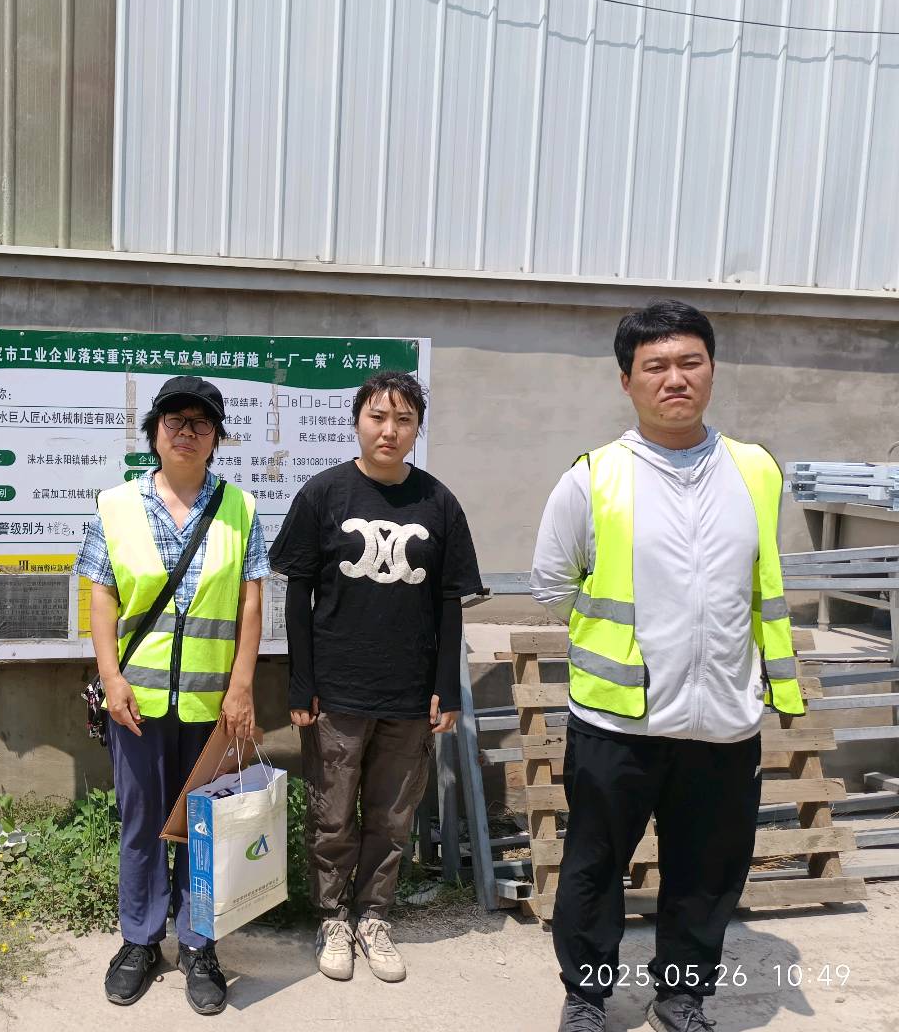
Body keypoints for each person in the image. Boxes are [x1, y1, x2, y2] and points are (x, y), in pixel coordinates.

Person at [530, 300, 804, 1032]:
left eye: (690, 362)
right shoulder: (593, 477)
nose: (674, 379)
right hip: (618, 721)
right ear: (627, 381)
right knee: (594, 869)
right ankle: (588, 997)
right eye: (655, 366)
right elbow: (552, 584)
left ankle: (681, 996)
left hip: (724, 722)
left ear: (712, 370)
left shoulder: (755, 470)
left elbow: (758, 583)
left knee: (707, 872)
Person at [269, 369, 481, 984]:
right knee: (332, 814)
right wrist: (301, 683)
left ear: (417, 429)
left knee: (392, 817)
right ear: (358, 421)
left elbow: (449, 601)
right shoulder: (324, 494)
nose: (389, 430)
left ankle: (374, 917)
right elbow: (298, 595)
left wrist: (445, 687)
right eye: (378, 417)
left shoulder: (438, 502)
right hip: (336, 691)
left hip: (409, 694)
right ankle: (332, 917)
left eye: (404, 419)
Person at [76, 374, 269, 1016]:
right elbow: (102, 598)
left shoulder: (240, 509)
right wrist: (111, 678)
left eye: (200, 422)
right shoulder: (114, 506)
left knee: (203, 829)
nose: (187, 432)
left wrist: (242, 686)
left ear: (216, 437)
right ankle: (139, 941)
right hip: (136, 702)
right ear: (154, 433)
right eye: (174, 421)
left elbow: (250, 603)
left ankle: (199, 945)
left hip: (213, 706)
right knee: (140, 824)